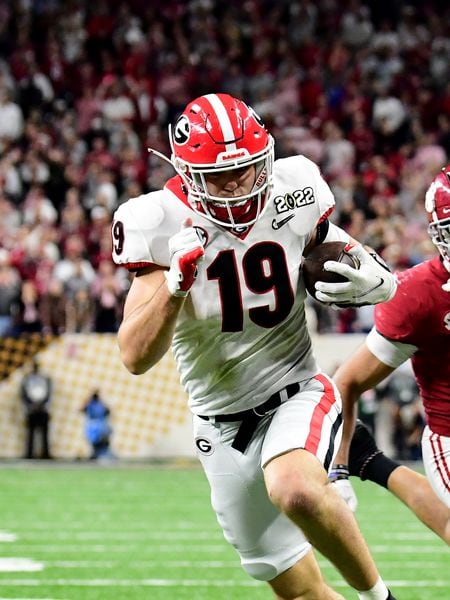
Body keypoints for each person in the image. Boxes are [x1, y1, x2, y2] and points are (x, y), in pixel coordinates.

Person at [112, 93, 398, 600]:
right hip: (219, 426)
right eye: (221, 175)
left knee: (296, 487)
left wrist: (380, 281)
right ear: (186, 172)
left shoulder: (297, 185)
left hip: (296, 389)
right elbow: (134, 357)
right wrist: (174, 289)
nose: (239, 183)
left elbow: (339, 249)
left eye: (247, 167)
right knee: (299, 590)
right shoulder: (154, 222)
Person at [331, 165, 450, 545]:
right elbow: (347, 381)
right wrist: (338, 463)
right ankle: (371, 463)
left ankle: (377, 465)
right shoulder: (419, 296)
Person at [21, 358, 52, 459]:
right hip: (31, 409)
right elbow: (23, 395)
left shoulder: (44, 379)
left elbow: (49, 394)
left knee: (44, 434)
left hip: (43, 408)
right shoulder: (27, 379)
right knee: (30, 433)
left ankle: (45, 454)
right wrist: (30, 406)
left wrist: (43, 405)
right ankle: (29, 454)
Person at [81, 389, 113, 460]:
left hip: (100, 425)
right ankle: (95, 454)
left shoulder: (100, 404)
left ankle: (101, 454)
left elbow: (108, 411)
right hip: (94, 425)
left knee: (102, 441)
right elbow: (82, 409)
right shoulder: (90, 404)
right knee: (94, 442)